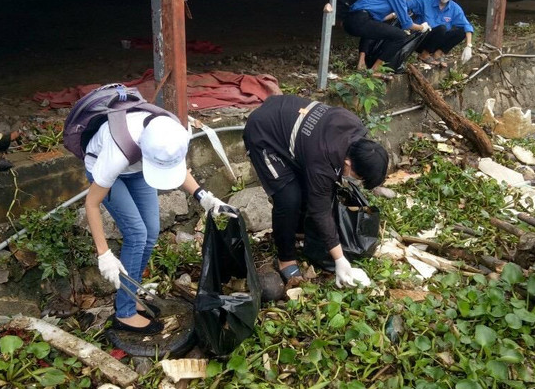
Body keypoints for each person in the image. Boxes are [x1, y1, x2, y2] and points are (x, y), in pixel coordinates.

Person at [85, 111, 229, 334]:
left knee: (151, 231)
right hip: (108, 167)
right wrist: (103, 254)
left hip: (139, 167)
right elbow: (92, 204)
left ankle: (130, 295)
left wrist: (203, 196)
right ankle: (125, 313)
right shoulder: (117, 154)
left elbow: (177, 168)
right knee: (136, 234)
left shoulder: (173, 135)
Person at [243, 95, 389, 288]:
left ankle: (298, 232)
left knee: (310, 189)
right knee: (288, 198)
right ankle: (286, 259)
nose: (357, 182)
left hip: (286, 113)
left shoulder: (355, 129)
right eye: (359, 177)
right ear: (348, 163)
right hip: (263, 133)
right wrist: (340, 259)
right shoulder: (323, 159)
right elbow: (320, 210)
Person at [343, 0, 431, 73]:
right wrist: (422, 27)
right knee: (400, 36)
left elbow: (382, 18)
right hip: (359, 19)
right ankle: (375, 69)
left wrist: (394, 15)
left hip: (353, 20)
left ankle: (361, 62)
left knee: (374, 26)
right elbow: (407, 24)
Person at [409, 0, 474, 67]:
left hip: (437, 42)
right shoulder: (425, 2)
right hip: (421, 40)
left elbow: (467, 26)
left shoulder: (455, 9)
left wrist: (468, 46)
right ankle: (424, 55)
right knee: (441, 29)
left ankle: (438, 54)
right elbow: (406, 4)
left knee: (461, 32)